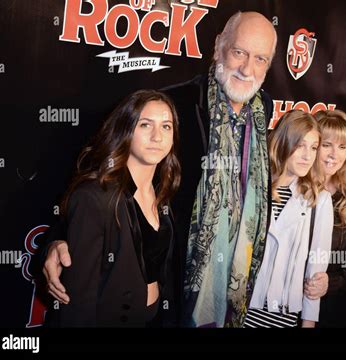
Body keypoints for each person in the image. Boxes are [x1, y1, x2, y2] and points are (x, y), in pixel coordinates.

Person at [42, 11, 277, 328]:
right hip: (179, 287)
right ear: (219, 46)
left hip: (237, 283)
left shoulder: (264, 107)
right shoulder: (175, 103)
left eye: (260, 59)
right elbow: (100, 175)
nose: (247, 68)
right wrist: (58, 239)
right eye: (239, 52)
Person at [44, 90, 181, 327]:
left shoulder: (166, 193)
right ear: (125, 130)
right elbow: (77, 306)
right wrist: (54, 243)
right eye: (145, 125)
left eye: (166, 127)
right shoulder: (95, 196)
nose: (157, 136)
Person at [244, 110, 334, 328]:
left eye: (313, 148)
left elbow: (316, 273)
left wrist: (308, 323)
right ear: (284, 141)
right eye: (300, 145)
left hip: (282, 317)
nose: (307, 155)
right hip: (240, 312)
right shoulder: (250, 187)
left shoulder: (319, 200)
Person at [303, 109, 346, 327]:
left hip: (335, 309)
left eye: (342, 147)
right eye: (327, 145)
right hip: (290, 304)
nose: (335, 155)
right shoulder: (294, 188)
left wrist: (331, 283)